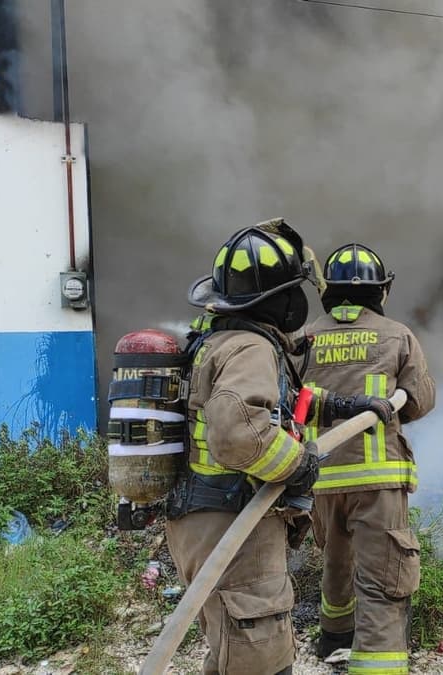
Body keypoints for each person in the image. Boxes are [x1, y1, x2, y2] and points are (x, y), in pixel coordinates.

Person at [166, 220, 394, 675]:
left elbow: (281, 409)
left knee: (231, 650)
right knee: (260, 660)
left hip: (204, 520)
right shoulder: (251, 347)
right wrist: (298, 465)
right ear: (283, 299)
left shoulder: (217, 340)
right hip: (235, 522)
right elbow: (238, 433)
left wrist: (346, 405)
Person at [303, 243, 436, 675]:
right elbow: (419, 401)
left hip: (320, 478)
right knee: (382, 580)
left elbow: (291, 404)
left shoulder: (302, 338)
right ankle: (376, 665)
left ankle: (335, 635)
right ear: (381, 290)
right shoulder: (397, 335)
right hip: (378, 481)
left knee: (335, 559)